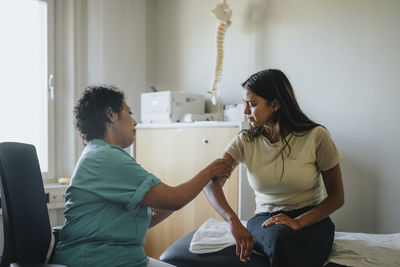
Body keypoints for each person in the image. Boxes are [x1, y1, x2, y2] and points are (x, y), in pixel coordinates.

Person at [53, 85, 232, 267]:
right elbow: (175, 199)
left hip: (121, 258)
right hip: (97, 260)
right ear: (111, 114)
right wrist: (208, 172)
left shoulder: (100, 154)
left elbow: (154, 214)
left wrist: (192, 187)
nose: (135, 122)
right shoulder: (106, 157)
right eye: (129, 113)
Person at [203, 69, 344, 267]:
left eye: (252, 105)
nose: (245, 112)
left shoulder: (316, 136)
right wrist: (233, 221)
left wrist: (299, 222)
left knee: (289, 242)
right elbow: (211, 185)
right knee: (281, 238)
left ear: (276, 104)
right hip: (266, 219)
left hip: (311, 219)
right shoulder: (245, 141)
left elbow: (337, 197)